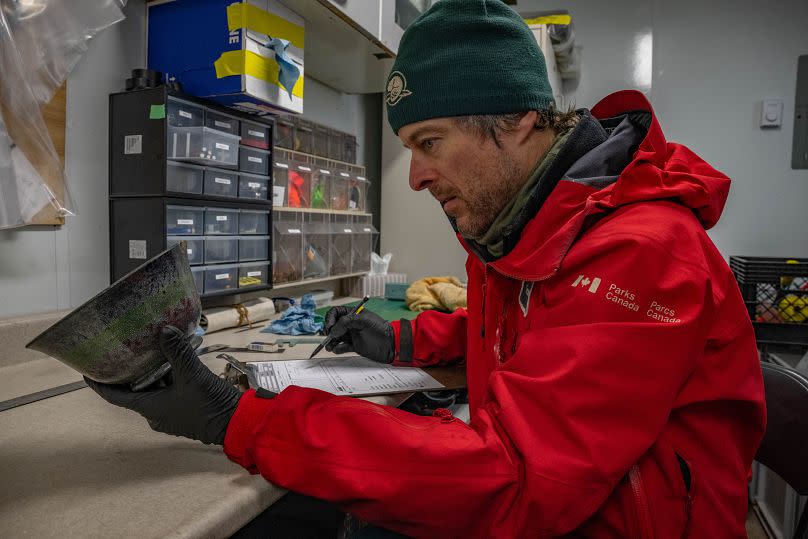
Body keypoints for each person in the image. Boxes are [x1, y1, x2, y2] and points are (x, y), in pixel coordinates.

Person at [87, 1, 766, 537]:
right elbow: (555, 338)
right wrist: (414, 340)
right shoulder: (531, 225)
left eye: (429, 142)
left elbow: (519, 479)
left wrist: (238, 419)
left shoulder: (643, 252)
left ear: (517, 118)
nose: (413, 176)